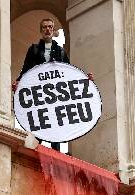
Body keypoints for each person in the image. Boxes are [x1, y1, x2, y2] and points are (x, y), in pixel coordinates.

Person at [12, 17, 92, 152]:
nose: (47, 29)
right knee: (40, 118)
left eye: (50, 27)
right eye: (44, 27)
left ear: (53, 31)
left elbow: (69, 71)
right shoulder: (34, 49)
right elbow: (26, 69)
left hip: (55, 92)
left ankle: (56, 152)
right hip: (39, 91)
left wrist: (84, 78)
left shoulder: (60, 51)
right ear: (41, 30)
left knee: (56, 119)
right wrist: (19, 81)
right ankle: (35, 148)